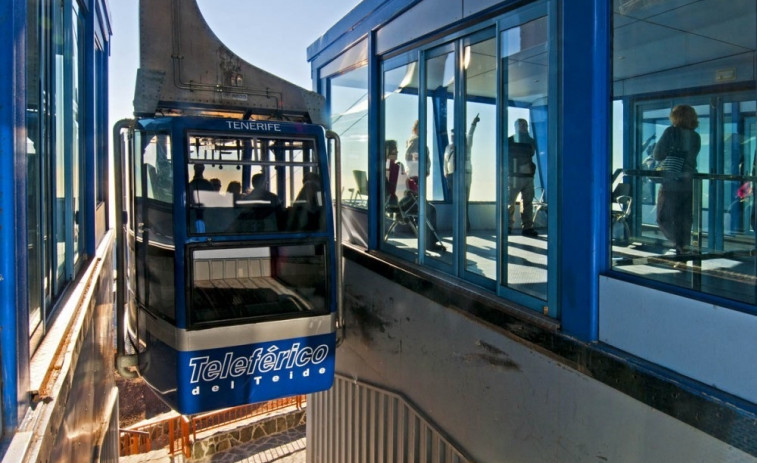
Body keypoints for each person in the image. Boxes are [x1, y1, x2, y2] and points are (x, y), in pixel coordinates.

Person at [652, 104, 701, 256]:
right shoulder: (695, 136)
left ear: (676, 117)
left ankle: (679, 245)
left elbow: (657, 155)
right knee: (684, 219)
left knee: (663, 218)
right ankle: (682, 250)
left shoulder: (671, 132)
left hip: (672, 182)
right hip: (689, 182)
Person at [507, 118, 539, 237]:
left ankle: (528, 227)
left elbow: (531, 153)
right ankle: (507, 226)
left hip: (528, 176)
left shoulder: (530, 141)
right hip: (514, 177)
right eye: (521, 125)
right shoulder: (510, 140)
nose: (524, 127)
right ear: (515, 127)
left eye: (525, 125)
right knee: (509, 203)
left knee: (528, 203)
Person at [443, 114, 480, 202]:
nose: (452, 136)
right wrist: (446, 172)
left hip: (464, 174)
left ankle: (464, 216)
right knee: (454, 199)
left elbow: (470, 134)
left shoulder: (466, 145)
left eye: (454, 134)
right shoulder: (448, 147)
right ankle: (455, 215)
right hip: (451, 175)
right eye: (452, 134)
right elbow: (445, 161)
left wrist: (473, 124)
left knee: (464, 200)